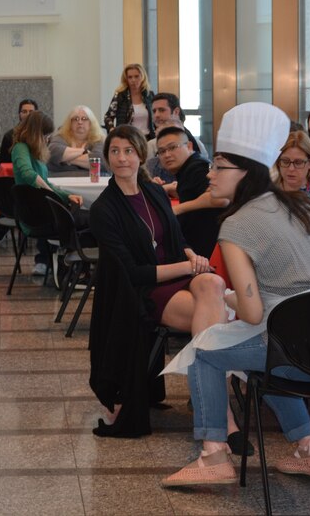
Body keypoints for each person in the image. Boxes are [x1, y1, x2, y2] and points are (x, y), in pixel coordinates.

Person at [162, 102, 310, 487]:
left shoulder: (237, 227)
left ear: (245, 172)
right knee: (263, 351)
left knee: (206, 351)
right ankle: (308, 449)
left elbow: (253, 313)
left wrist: (226, 297)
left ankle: (214, 454)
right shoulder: (305, 204)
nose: (210, 173)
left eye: (219, 165)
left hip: (292, 351)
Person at [87, 125, 219, 437]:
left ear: (140, 155)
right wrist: (187, 266)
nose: (122, 159)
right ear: (106, 158)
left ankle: (211, 409)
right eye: (115, 152)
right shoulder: (104, 208)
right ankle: (219, 415)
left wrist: (190, 255)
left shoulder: (155, 192)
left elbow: (176, 236)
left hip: (176, 275)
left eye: (129, 151)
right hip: (141, 290)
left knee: (213, 286)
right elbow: (134, 273)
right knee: (219, 320)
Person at [11, 111, 83, 276]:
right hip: (34, 213)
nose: (47, 139)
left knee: (79, 215)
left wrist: (66, 195)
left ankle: (68, 262)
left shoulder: (33, 152)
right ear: (36, 133)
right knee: (79, 219)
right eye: (45, 135)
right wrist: (52, 193)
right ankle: (68, 263)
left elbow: (46, 182)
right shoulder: (20, 148)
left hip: (41, 208)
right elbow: (28, 174)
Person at [149, 126, 227, 256]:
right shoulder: (188, 168)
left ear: (189, 146)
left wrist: (177, 209)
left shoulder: (197, 168)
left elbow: (221, 199)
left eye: (173, 147)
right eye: (161, 151)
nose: (167, 155)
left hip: (204, 252)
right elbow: (197, 193)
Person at [48, 105, 106, 172]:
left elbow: (99, 160)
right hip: (59, 179)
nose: (80, 122)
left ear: (91, 123)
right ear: (70, 123)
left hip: (90, 181)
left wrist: (66, 159)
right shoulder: (61, 136)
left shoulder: (99, 139)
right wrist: (85, 152)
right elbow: (53, 152)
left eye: (84, 119)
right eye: (75, 119)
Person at [103, 63, 154, 135]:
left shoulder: (149, 95)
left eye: (136, 76)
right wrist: (112, 129)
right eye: (130, 77)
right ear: (126, 79)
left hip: (147, 138)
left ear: (142, 77)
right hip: (126, 137)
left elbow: (155, 117)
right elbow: (108, 116)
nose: (133, 80)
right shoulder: (120, 96)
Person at [146, 92, 202, 158]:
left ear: (176, 112)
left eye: (162, 110)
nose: (156, 115)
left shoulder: (196, 143)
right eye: (154, 111)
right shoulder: (150, 146)